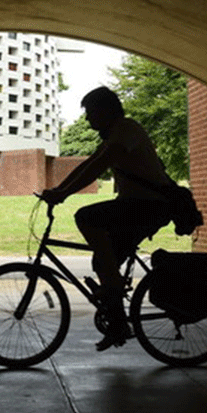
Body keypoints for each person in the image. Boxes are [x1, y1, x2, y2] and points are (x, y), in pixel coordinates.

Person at [41, 87, 173, 351]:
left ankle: (113, 285)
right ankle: (118, 324)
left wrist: (64, 193)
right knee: (102, 261)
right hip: (137, 206)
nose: (88, 120)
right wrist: (59, 190)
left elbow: (98, 167)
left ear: (105, 111)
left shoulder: (125, 130)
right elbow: (88, 164)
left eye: (91, 113)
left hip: (149, 206)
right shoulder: (114, 134)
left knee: (86, 217)